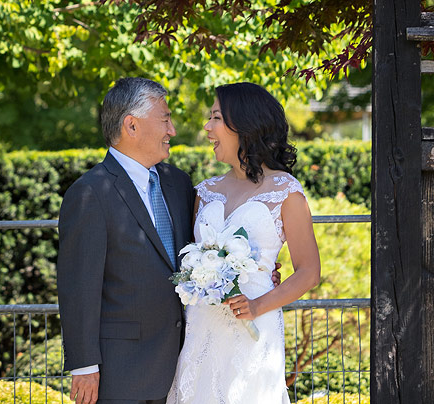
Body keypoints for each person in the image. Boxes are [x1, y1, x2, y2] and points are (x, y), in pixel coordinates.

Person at [166, 81, 321, 404]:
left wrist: (257, 305)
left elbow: (308, 272)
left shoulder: (286, 192)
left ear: (245, 125)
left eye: (216, 118)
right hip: (202, 328)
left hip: (254, 333)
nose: (207, 128)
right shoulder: (204, 192)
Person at [57, 77, 194, 404]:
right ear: (131, 126)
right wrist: (84, 364)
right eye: (165, 119)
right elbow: (79, 285)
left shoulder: (180, 183)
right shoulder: (90, 193)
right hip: (122, 372)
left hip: (187, 364)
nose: (172, 130)